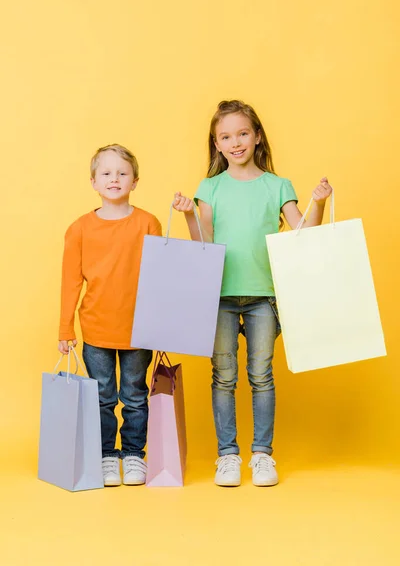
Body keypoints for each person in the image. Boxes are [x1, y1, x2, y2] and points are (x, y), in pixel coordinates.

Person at [174, 100, 332, 486]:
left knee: (261, 375)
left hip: (265, 295)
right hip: (221, 294)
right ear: (216, 143)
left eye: (243, 133)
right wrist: (187, 214)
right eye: (226, 136)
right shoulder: (209, 187)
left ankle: (262, 455)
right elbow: (204, 243)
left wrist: (320, 202)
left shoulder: (277, 185)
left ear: (257, 135)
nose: (236, 142)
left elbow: (302, 237)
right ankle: (227, 456)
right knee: (223, 376)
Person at [58, 144, 161, 487]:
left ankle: (133, 455)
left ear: (135, 181)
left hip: (140, 330)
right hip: (96, 330)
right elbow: (70, 283)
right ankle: (105, 456)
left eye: (122, 173)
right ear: (93, 182)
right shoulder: (79, 229)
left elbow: (162, 276)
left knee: (134, 397)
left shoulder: (149, 222)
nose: (114, 179)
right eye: (106, 173)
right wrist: (64, 329)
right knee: (102, 398)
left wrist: (163, 328)